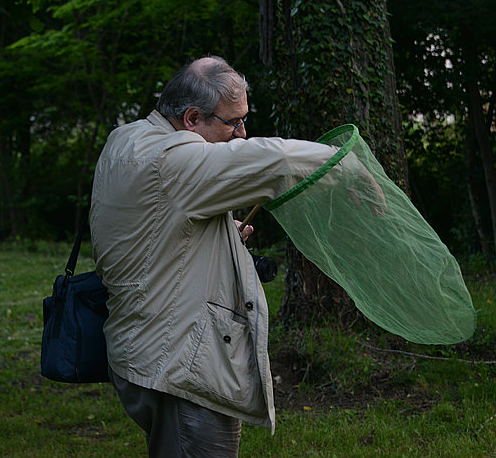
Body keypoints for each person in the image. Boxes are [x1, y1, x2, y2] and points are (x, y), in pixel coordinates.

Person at [89, 56, 343, 457]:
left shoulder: (127, 139)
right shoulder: (173, 162)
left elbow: (155, 227)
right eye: (233, 122)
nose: (242, 133)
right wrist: (347, 163)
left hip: (142, 352)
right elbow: (276, 160)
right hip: (180, 366)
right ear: (192, 118)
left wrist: (217, 237)